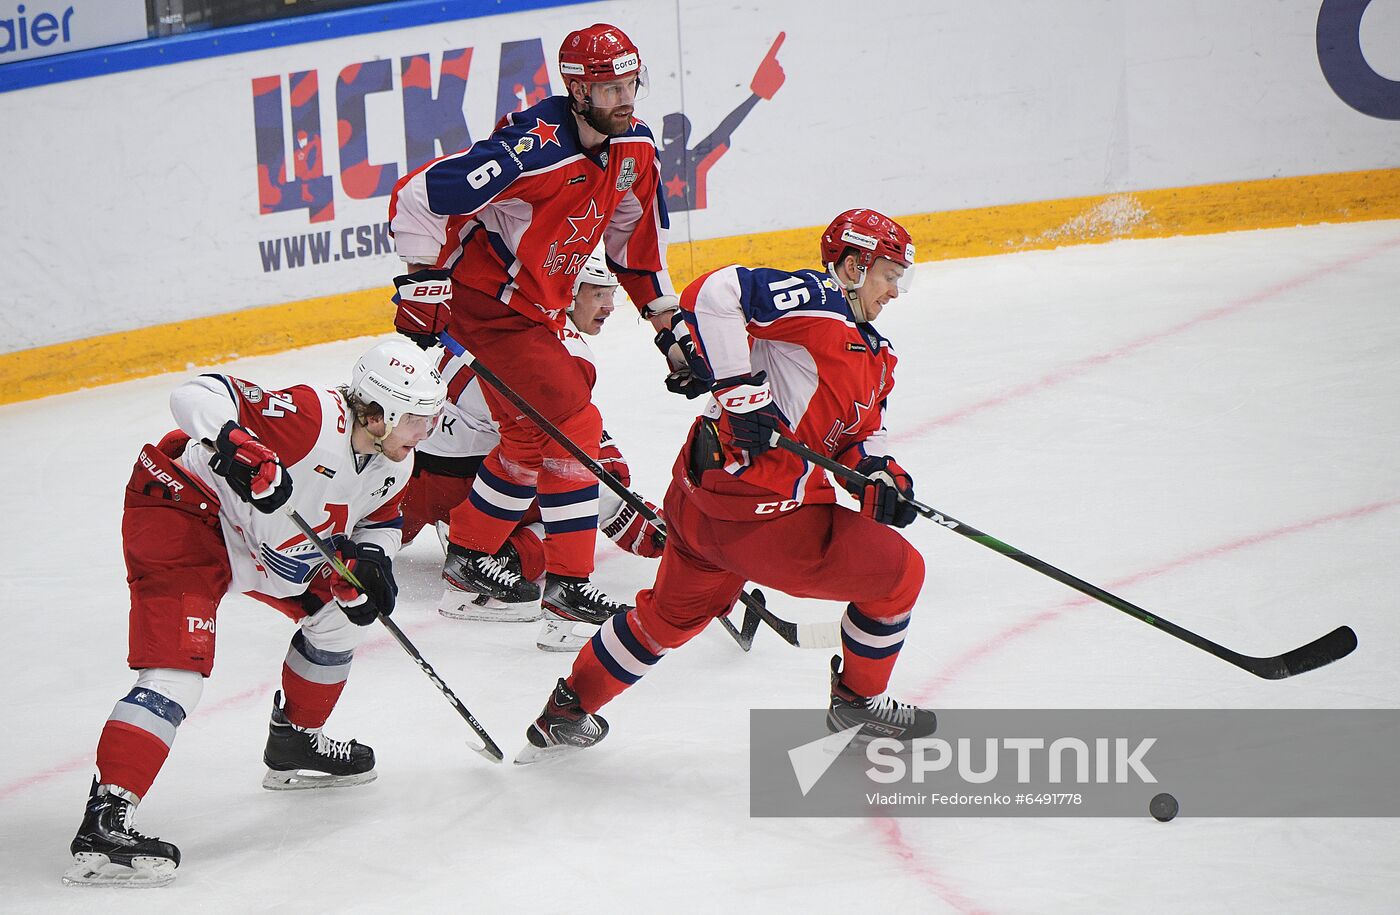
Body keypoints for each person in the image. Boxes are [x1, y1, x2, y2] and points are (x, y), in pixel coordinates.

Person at [516, 209, 938, 762]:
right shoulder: (818, 298)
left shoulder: (877, 356)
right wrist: (740, 390)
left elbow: (860, 435)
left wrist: (882, 476)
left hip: (701, 506)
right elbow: (716, 291)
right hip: (764, 522)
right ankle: (857, 702)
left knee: (665, 619)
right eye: (889, 274)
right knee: (901, 575)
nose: (895, 290)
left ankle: (567, 710)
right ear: (855, 265)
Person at [64, 340, 446, 887]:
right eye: (415, 420)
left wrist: (369, 567)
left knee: (338, 620)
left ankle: (293, 741)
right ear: (374, 413)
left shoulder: (394, 464)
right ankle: (105, 818)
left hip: (271, 549)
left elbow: (377, 521)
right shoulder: (312, 417)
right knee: (178, 672)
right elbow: (195, 392)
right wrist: (239, 445)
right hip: (186, 514)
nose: (424, 433)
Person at [387, 22, 685, 631]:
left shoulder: (637, 149)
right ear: (576, 91)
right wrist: (422, 279)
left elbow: (634, 250)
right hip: (486, 308)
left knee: (528, 437)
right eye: (609, 90)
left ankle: (469, 563)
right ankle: (568, 587)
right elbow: (420, 192)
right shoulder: (533, 149)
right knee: (576, 423)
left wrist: (667, 328)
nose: (625, 100)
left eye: (632, 85)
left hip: (531, 312)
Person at [399, 251, 665, 651]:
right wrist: (628, 519)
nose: (609, 306)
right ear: (568, 292)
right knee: (564, 500)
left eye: (612, 294)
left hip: (409, 471)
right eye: (597, 294)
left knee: (372, 534)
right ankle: (496, 559)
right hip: (458, 485)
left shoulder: (504, 316)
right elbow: (568, 459)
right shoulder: (566, 353)